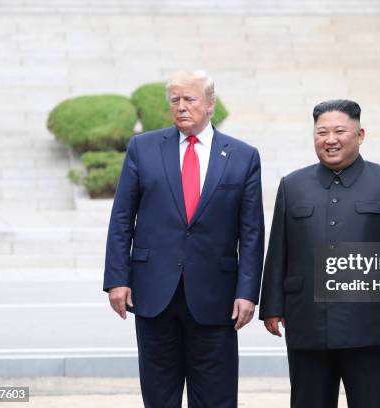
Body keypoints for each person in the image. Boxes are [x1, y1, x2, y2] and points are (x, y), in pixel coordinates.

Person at [103, 70, 264, 408]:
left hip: (215, 297)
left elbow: (251, 233)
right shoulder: (143, 148)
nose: (180, 107)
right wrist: (117, 279)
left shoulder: (242, 156)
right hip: (153, 292)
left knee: (216, 396)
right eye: (174, 100)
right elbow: (121, 219)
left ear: (210, 104)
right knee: (159, 395)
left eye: (189, 99)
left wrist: (247, 293)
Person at [259, 99, 380, 408]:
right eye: (322, 132)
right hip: (307, 322)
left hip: (370, 324)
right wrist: (271, 306)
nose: (330, 139)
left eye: (340, 131)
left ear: (360, 135)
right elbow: (279, 250)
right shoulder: (293, 185)